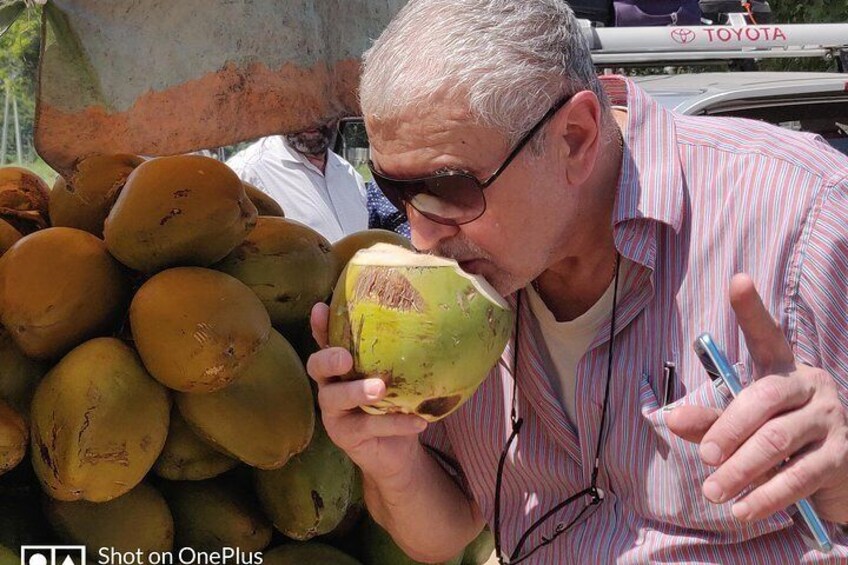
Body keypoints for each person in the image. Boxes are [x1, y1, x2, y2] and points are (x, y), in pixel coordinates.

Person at [306, 1, 848, 563]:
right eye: (396, 191)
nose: (420, 236)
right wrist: (388, 461)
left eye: (450, 189)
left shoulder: (807, 216)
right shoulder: (457, 296)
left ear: (575, 137)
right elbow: (444, 532)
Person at [226, 118, 368, 242]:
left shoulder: (350, 176)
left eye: (319, 107)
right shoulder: (247, 171)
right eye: (300, 106)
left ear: (336, 113)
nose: (311, 118)